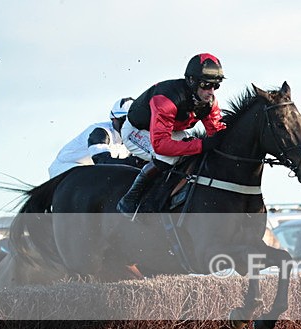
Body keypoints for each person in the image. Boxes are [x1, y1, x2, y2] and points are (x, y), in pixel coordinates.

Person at [116, 53, 228, 217]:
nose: (211, 92)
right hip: (136, 131)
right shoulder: (166, 100)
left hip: (169, 130)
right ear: (192, 81)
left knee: (195, 154)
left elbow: (217, 132)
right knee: (168, 157)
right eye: (206, 85)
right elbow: (161, 146)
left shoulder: (209, 103)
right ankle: (130, 198)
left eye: (215, 86)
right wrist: (201, 144)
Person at [47, 98, 144, 178]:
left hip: (88, 171)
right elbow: (103, 162)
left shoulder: (135, 137)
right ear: (114, 119)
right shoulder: (101, 132)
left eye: (133, 121)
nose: (129, 126)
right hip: (66, 168)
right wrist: (136, 162)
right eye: (124, 121)